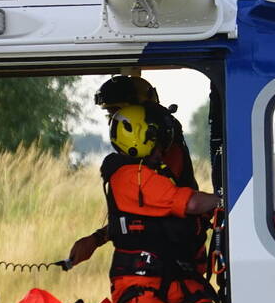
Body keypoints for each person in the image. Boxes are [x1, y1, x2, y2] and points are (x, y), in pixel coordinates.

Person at [79, 102, 227, 303]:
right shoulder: (129, 176)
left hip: (180, 284)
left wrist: (96, 238)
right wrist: (227, 200)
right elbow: (190, 204)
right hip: (141, 285)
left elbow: (142, 223)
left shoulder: (153, 176)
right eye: (157, 144)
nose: (162, 152)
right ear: (140, 139)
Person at [69, 75, 199, 267]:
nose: (114, 122)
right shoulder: (148, 155)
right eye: (110, 114)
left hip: (173, 260)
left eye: (117, 112)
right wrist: (96, 239)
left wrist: (97, 239)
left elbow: (152, 211)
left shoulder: (163, 153)